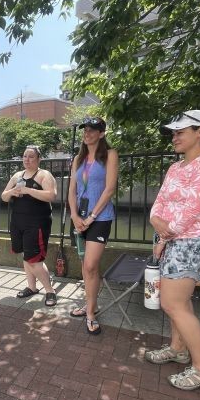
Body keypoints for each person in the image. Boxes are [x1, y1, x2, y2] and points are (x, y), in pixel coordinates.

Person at [145, 109, 200, 391]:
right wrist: (157, 224)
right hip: (172, 242)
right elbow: (159, 204)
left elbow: (193, 211)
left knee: (173, 304)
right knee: (180, 303)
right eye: (173, 132)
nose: (174, 137)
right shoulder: (175, 168)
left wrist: (164, 235)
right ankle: (178, 349)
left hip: (190, 244)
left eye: (181, 131)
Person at [68, 117, 119, 334]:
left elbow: (109, 189)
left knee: (90, 265)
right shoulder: (78, 159)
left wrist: (91, 217)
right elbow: (72, 190)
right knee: (87, 265)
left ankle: (90, 313)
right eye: (85, 130)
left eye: (92, 130)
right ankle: (91, 304)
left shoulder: (110, 155)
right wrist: (74, 216)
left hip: (100, 218)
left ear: (102, 133)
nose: (87, 133)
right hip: (80, 218)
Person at [1, 145, 58, 307]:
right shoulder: (17, 175)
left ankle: (50, 291)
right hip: (18, 221)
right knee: (26, 255)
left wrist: (27, 190)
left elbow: (51, 195)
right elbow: (4, 196)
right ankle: (32, 287)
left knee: (35, 259)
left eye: (31, 157)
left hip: (37, 222)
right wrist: (12, 192)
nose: (27, 159)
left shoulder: (44, 175)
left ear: (38, 159)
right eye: (25, 156)